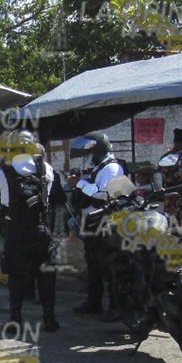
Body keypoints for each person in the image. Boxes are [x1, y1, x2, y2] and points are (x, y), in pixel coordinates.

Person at [0, 130, 66, 337]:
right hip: (41, 230)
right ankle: (50, 319)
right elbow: (54, 195)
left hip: (16, 231)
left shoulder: (4, 170)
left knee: (16, 276)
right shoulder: (46, 168)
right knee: (46, 275)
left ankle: (16, 320)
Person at [69, 131, 124, 320]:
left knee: (109, 265)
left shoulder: (112, 168)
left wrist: (80, 184)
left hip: (105, 222)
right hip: (91, 221)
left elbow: (105, 194)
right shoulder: (98, 166)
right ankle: (94, 302)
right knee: (93, 264)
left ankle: (117, 307)